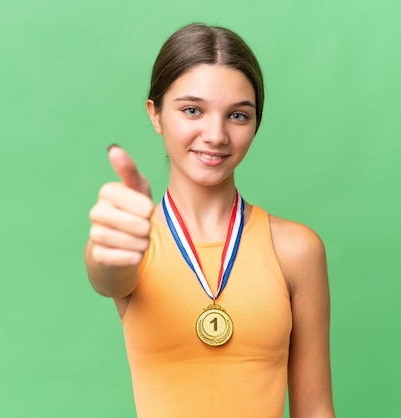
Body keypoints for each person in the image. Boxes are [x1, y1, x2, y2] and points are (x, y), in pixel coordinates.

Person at [84, 23, 334, 418]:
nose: (215, 135)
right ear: (156, 114)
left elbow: (315, 409)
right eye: (192, 110)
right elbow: (107, 273)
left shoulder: (297, 250)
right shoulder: (133, 240)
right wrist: (109, 245)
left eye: (238, 115)